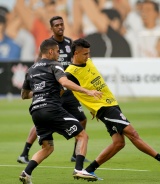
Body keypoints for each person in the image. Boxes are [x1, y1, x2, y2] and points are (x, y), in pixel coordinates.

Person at [65, 38, 160, 178]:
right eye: (85, 54)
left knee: (119, 143)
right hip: (104, 108)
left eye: (89, 53)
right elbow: (65, 86)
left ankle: (89, 169)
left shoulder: (88, 62)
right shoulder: (70, 73)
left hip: (111, 104)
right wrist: (89, 101)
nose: (88, 57)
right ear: (75, 53)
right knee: (133, 133)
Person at [19, 39, 102, 184]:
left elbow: (24, 95)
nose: (59, 54)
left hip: (36, 112)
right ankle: (79, 168)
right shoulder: (54, 65)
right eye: (58, 51)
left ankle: (26, 172)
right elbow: (64, 82)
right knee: (82, 135)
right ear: (50, 51)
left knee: (48, 147)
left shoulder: (31, 69)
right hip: (51, 109)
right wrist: (87, 91)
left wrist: (39, 92)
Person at [17, 16, 89, 164]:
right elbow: (39, 63)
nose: (60, 27)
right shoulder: (48, 45)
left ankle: (76, 154)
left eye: (62, 24)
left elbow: (75, 61)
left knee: (82, 119)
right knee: (44, 118)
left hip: (67, 88)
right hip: (53, 88)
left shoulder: (70, 43)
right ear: (52, 28)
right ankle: (25, 152)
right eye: (56, 25)